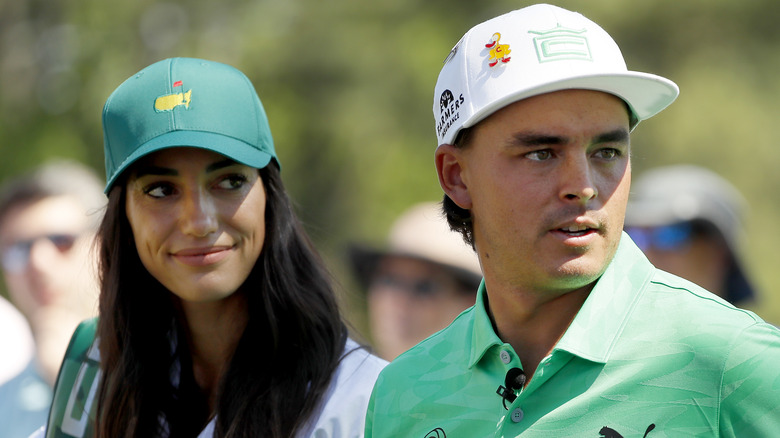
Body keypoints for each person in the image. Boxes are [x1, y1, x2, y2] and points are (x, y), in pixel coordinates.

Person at [365, 4, 780, 437]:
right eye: (541, 153)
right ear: (456, 175)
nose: (582, 186)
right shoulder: (402, 393)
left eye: (607, 152)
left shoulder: (735, 362)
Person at [36, 57, 386, 438]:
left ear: (269, 196)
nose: (199, 221)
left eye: (229, 181)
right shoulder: (92, 378)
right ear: (124, 216)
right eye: (161, 190)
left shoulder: (365, 401)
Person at [0, 160, 103, 438]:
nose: (38, 262)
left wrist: (72, 378)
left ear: (105, 245)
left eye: (61, 240)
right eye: (18, 248)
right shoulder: (4, 403)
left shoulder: (176, 365)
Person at [348, 201, 481, 360]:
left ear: (472, 303)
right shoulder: (339, 380)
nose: (399, 300)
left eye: (425, 288)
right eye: (388, 280)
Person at [624, 164, 755, 306]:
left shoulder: (757, 329)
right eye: (634, 236)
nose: (646, 252)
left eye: (670, 235)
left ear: (719, 256)